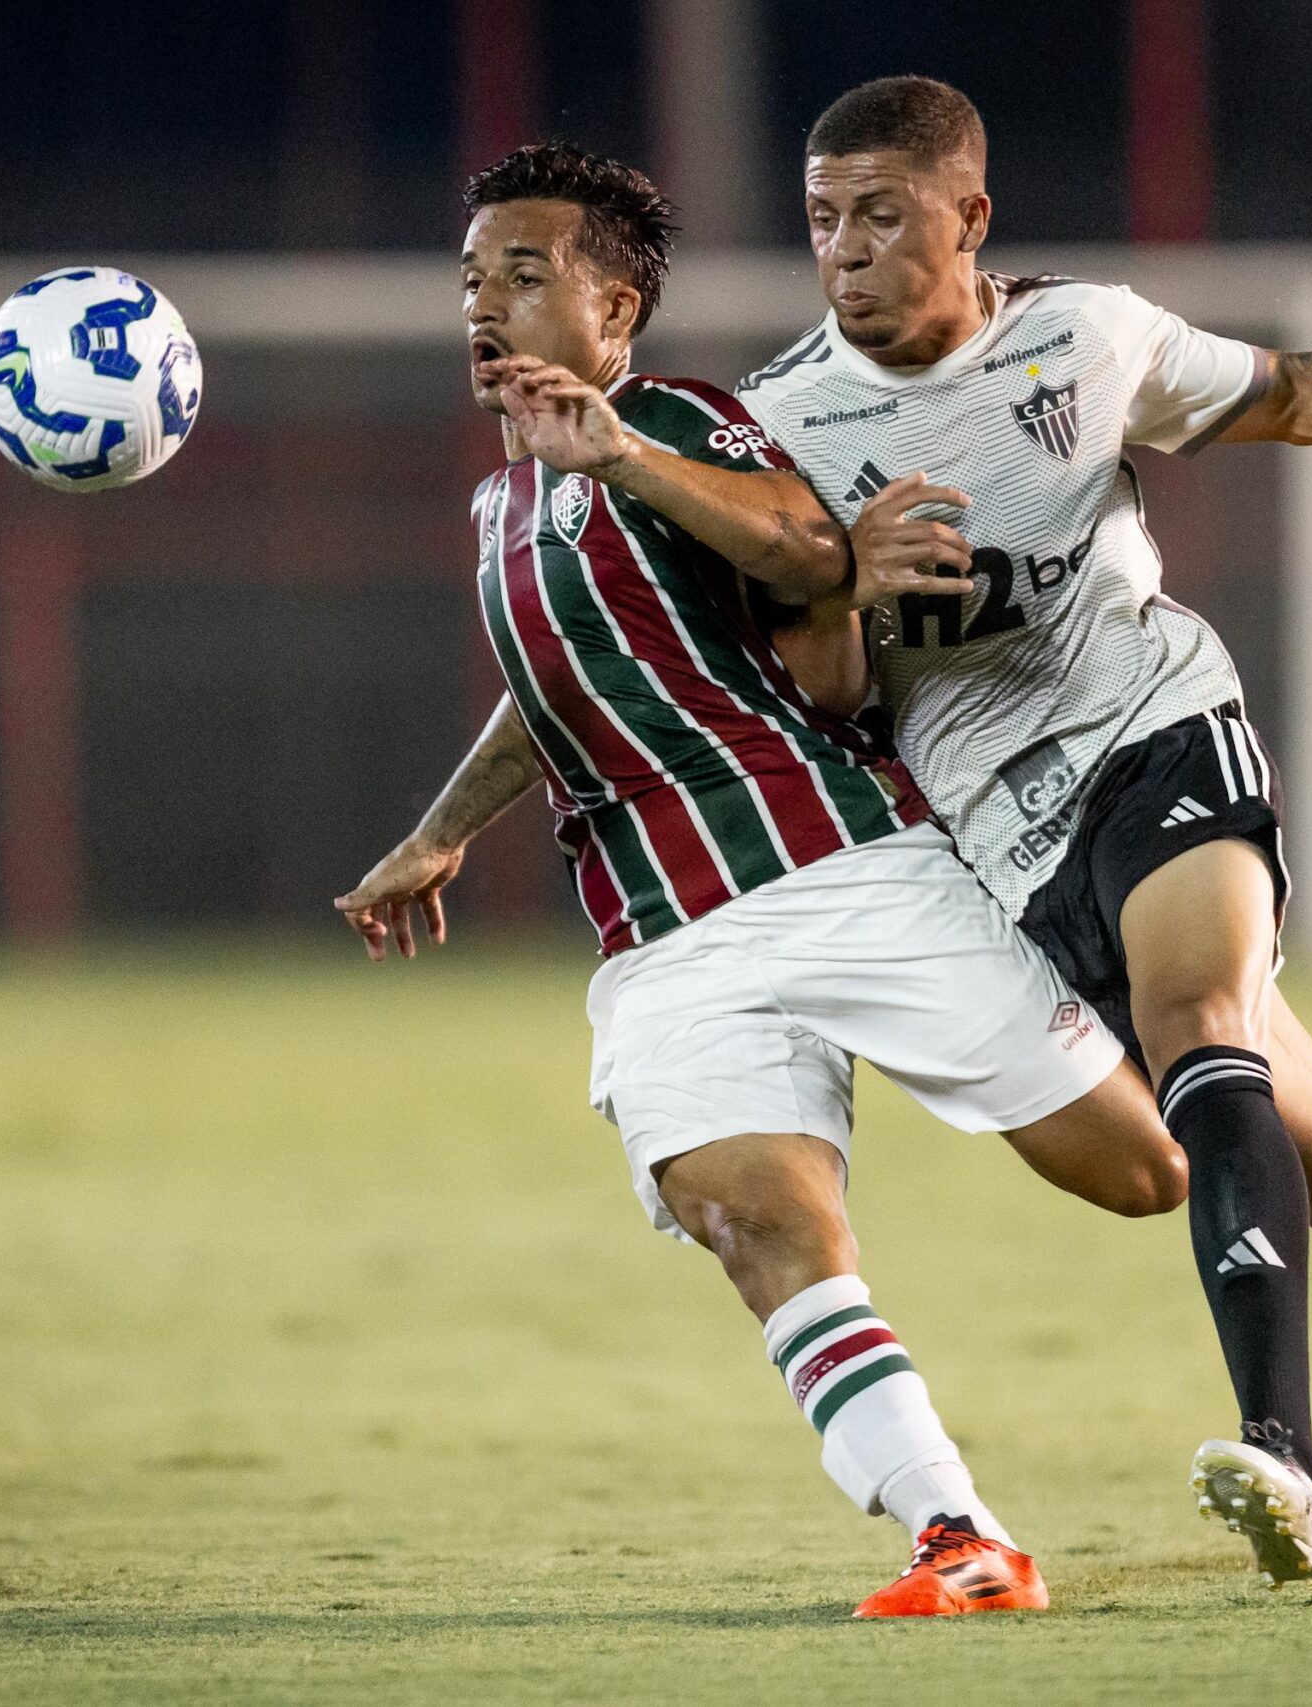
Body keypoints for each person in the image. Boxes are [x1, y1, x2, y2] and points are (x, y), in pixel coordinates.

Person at [746, 75, 1312, 1585]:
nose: (846, 252)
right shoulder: (781, 421)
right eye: (824, 220)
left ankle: (1283, 1455)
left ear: (970, 219)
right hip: (1009, 843)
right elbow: (814, 690)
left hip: (1158, 730)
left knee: (1196, 1012)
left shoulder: (1080, 340)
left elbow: (1293, 392)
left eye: (883, 218)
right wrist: (841, 583)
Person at [333, 142, 1208, 1619]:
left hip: (837, 869)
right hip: (662, 937)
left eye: (525, 276)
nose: (484, 304)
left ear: (615, 316)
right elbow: (554, 689)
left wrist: (618, 448)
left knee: (1148, 1168)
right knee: (758, 1223)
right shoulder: (501, 511)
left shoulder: (677, 422)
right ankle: (960, 1536)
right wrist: (442, 826)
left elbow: (819, 554)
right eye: (471, 279)